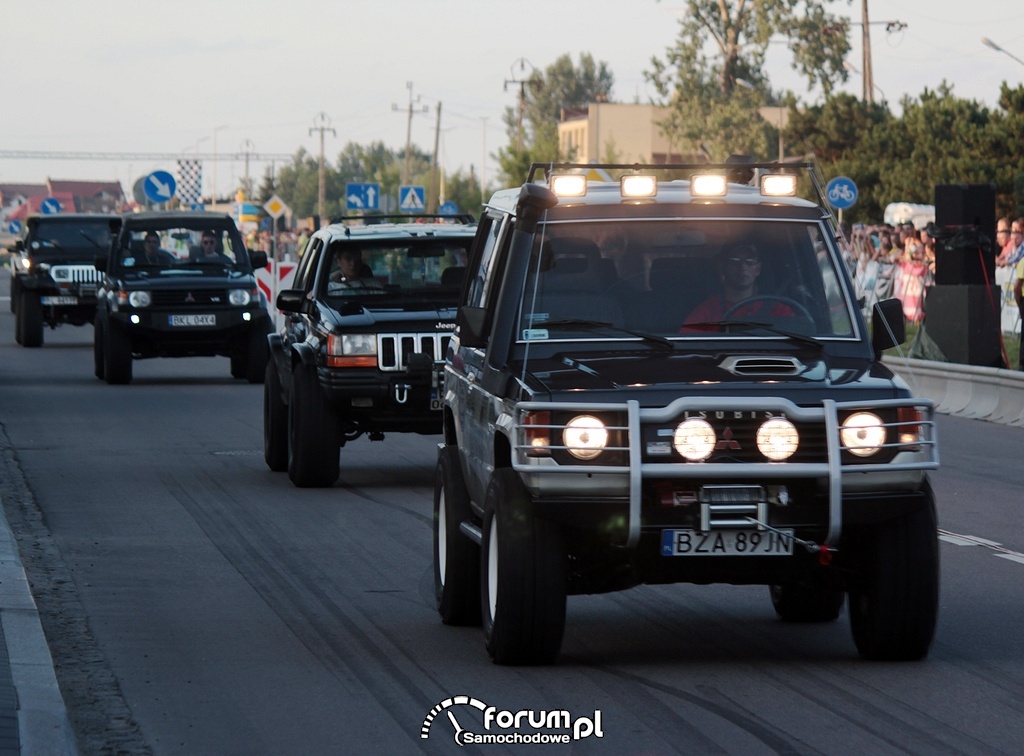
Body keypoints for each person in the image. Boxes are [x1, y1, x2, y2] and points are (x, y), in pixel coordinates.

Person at [682, 244, 793, 327]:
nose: (742, 267)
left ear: (758, 269)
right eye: (734, 261)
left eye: (749, 261)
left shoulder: (779, 310)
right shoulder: (707, 312)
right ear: (722, 267)